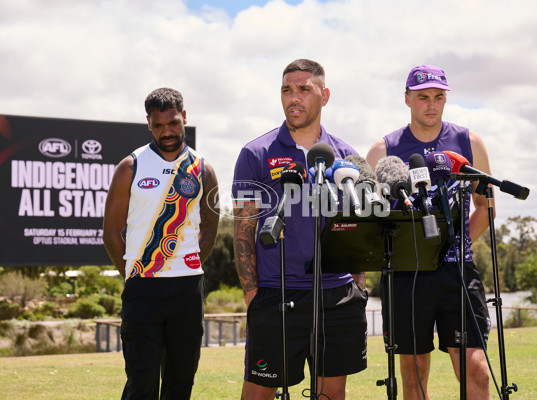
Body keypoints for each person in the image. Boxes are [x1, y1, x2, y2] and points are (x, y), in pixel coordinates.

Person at [232, 59, 368, 400]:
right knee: (258, 394)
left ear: (324, 95)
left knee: (332, 395)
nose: (294, 97)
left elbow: (356, 229)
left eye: (304, 89)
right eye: (287, 90)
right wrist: (252, 293)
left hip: (337, 294)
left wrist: (359, 285)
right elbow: (243, 229)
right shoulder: (256, 153)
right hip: (277, 294)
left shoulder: (348, 156)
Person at [366, 65, 494, 400]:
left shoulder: (469, 141)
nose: (431, 105)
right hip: (406, 274)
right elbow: (368, 218)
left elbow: (485, 206)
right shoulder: (383, 150)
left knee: (476, 369)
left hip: (457, 270)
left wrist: (453, 242)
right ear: (407, 99)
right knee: (414, 373)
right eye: (423, 97)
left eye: (439, 97)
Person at [103, 87, 220, 399]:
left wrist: (190, 263)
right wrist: (132, 273)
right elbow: (111, 233)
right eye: (158, 125)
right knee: (141, 383)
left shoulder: (203, 168)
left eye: (173, 123)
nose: (167, 132)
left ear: (184, 118)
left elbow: (210, 227)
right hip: (143, 287)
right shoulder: (131, 167)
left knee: (180, 383)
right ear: (148, 123)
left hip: (188, 289)